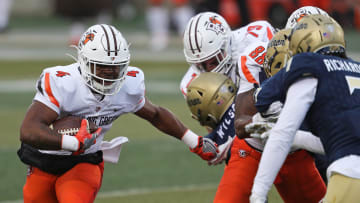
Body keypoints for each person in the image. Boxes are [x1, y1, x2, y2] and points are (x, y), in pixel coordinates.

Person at [17, 24, 217, 203]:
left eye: (116, 67)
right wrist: (73, 142)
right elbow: (29, 130)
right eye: (102, 65)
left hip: (84, 162)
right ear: (84, 61)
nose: (110, 73)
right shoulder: (63, 82)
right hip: (43, 161)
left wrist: (194, 141)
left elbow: (155, 114)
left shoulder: (128, 85)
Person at [181, 12, 326, 202]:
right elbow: (221, 129)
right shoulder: (193, 86)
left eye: (213, 60)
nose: (209, 69)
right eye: (201, 64)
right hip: (250, 138)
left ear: (226, 43)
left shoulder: (257, 37)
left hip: (289, 119)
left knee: (325, 160)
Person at [249, 14, 360, 203]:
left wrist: (258, 193)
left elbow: (282, 133)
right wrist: (298, 138)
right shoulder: (356, 69)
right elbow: (340, 143)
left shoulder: (310, 65)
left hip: (351, 175)